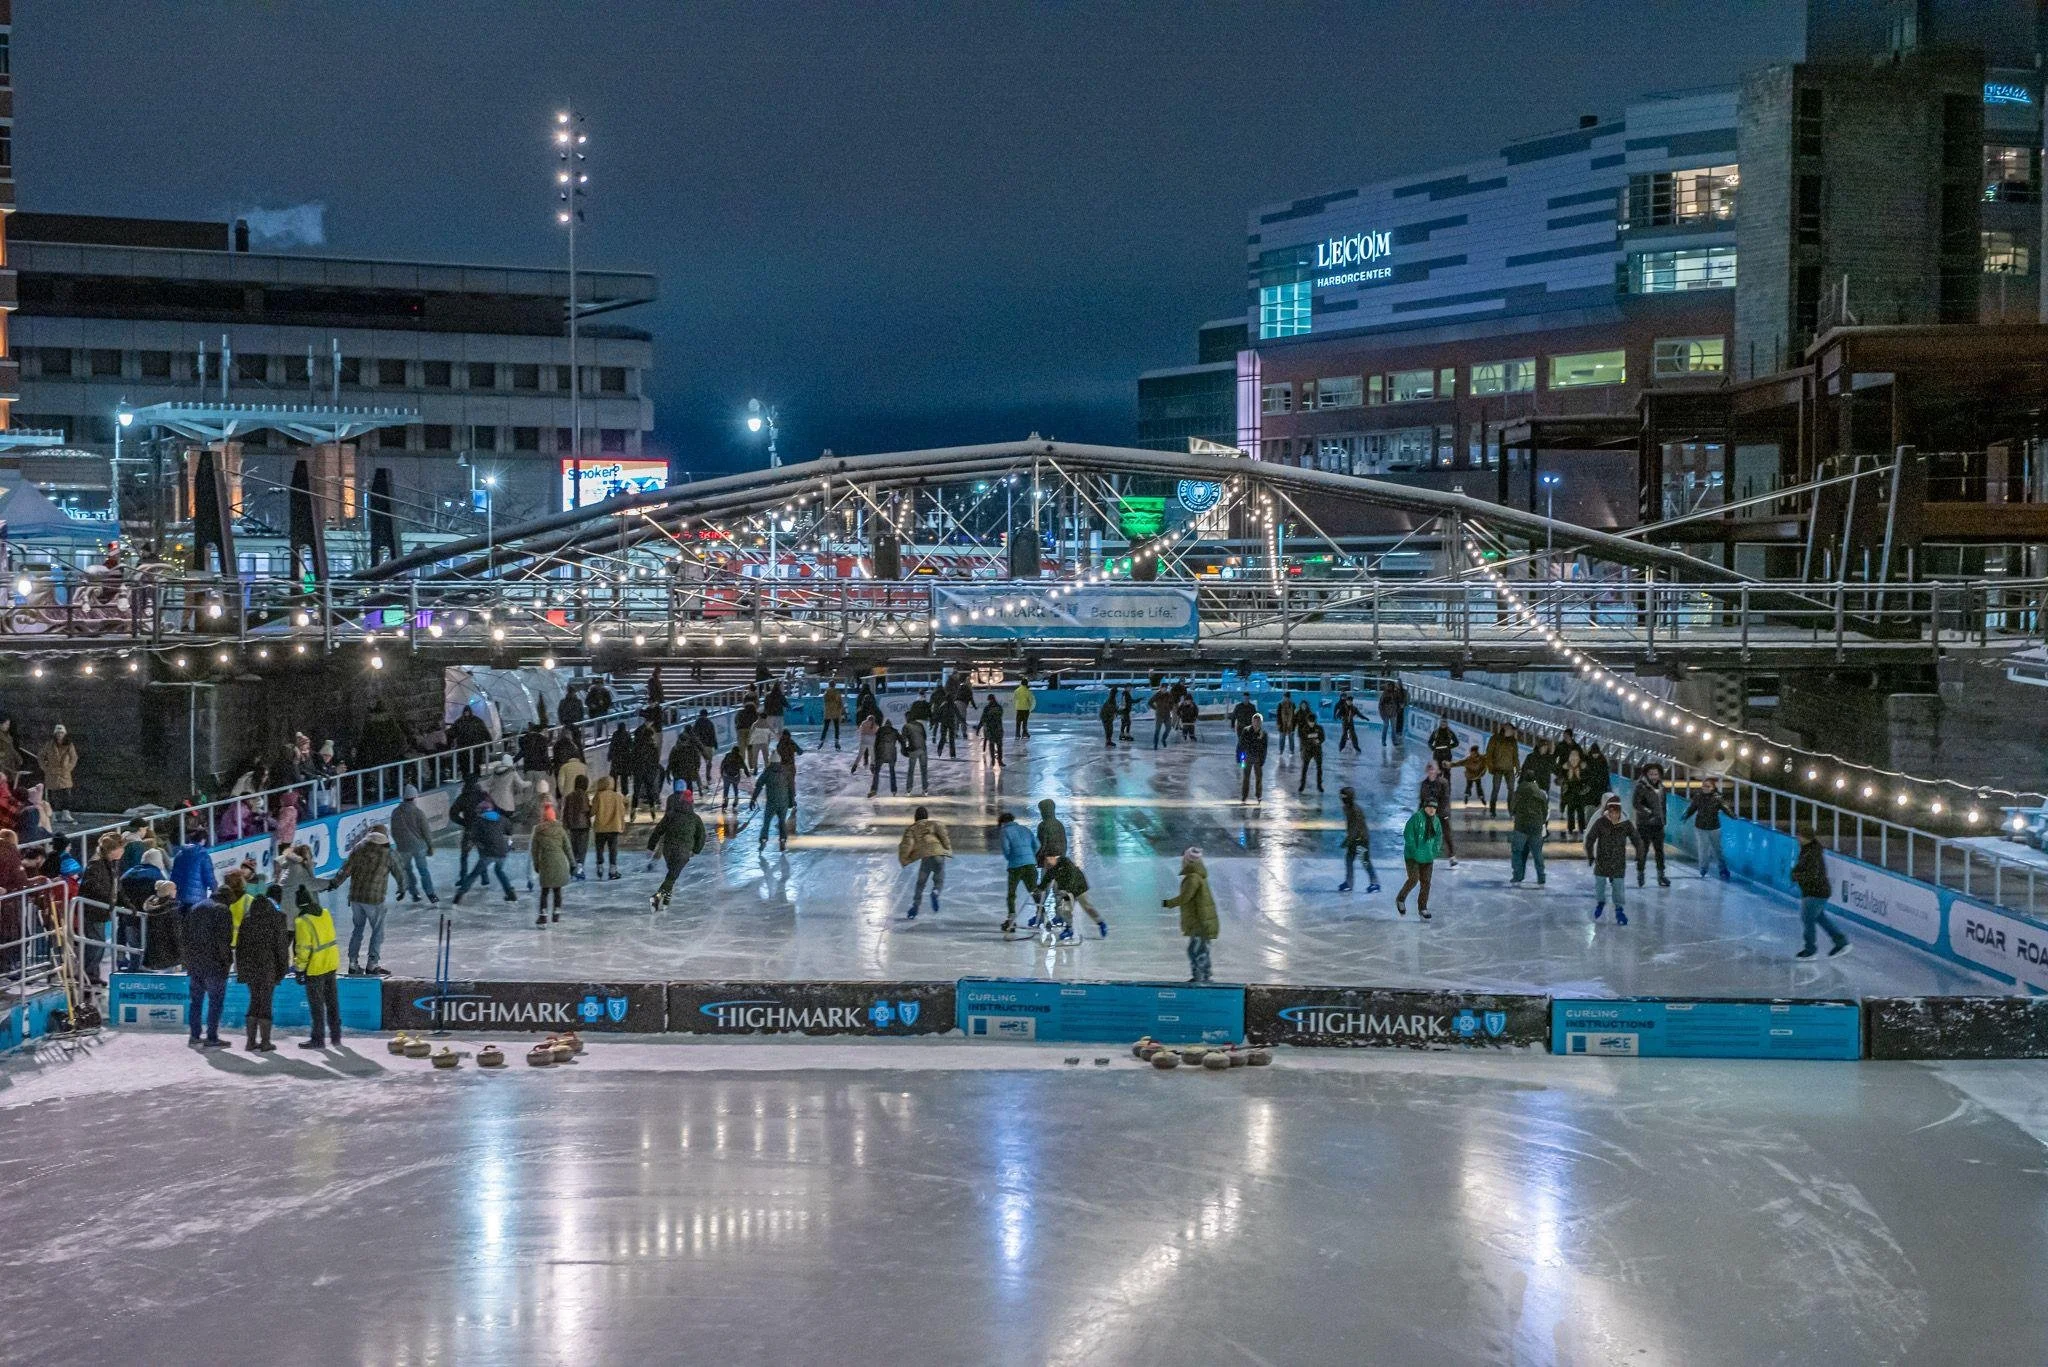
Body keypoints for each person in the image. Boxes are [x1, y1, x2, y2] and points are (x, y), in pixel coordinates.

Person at [328, 827, 396, 977]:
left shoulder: (358, 848)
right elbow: (399, 870)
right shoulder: (387, 852)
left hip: (356, 898)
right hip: (374, 899)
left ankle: (353, 964)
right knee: (377, 930)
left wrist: (335, 883)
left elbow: (346, 869)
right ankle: (372, 964)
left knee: (357, 929)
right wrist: (403, 888)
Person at [235, 890, 292, 1053]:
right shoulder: (278, 919)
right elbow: (281, 948)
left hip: (250, 968)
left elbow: (240, 948)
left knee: (254, 1000)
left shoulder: (247, 921)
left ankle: (250, 1042)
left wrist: (241, 971)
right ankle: (265, 1042)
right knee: (266, 1002)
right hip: (269, 968)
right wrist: (282, 970)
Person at [182, 890, 235, 1048]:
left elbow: (185, 937)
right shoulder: (222, 910)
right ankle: (212, 1037)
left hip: (195, 964)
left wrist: (188, 961)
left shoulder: (195, 908)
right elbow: (223, 941)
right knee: (215, 1002)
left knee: (196, 1002)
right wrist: (227, 962)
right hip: (215, 965)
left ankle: (194, 1035)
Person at [293, 886, 343, 1050]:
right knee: (332, 1002)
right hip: (331, 963)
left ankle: (318, 1039)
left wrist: (299, 970)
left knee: (317, 1006)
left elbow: (303, 948)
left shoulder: (302, 921)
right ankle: (336, 1036)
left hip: (315, 967)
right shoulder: (326, 913)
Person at [1161, 846, 1219, 984]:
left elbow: (1185, 897)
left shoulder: (1193, 878)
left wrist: (1167, 903)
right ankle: (1204, 975)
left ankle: (1201, 978)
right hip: (1201, 920)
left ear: (1187, 860)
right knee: (1199, 949)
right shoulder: (1197, 875)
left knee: (1196, 950)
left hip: (1200, 921)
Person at [1791, 827, 1851, 959]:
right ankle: (1841, 942)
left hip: (1816, 891)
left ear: (1804, 837)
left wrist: (1797, 876)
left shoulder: (1812, 853)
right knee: (1819, 917)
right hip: (1814, 890)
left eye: (1799, 836)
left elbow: (1812, 874)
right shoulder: (1808, 849)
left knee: (1807, 917)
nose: (1797, 838)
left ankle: (1810, 950)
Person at [646, 790, 706, 908]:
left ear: (680, 802)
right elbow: (702, 837)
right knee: (672, 875)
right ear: (691, 803)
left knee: (672, 874)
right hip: (684, 851)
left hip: (668, 849)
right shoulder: (695, 819)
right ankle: (657, 897)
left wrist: (650, 847)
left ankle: (667, 899)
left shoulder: (671, 815)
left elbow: (658, 831)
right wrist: (696, 850)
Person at [450, 800, 517, 903]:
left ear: (481, 811)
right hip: (502, 851)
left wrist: (479, 844)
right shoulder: (501, 818)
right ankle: (510, 893)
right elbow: (510, 830)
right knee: (499, 871)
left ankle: (460, 894)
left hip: (488, 852)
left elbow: (474, 836)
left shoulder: (479, 821)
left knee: (474, 874)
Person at [1583, 793, 1635, 924]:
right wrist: (1589, 853)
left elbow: (1630, 831)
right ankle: (1601, 902)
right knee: (1601, 882)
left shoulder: (1624, 817)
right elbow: (1589, 835)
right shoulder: (1598, 818)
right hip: (1602, 856)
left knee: (1617, 883)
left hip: (1617, 857)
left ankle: (1618, 908)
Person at [78, 832, 121, 987]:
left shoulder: (110, 864)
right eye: (120, 848)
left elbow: (116, 887)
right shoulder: (96, 864)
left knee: (99, 943)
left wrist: (125, 902)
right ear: (112, 850)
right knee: (95, 943)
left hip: (101, 910)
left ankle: (92, 974)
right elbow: (91, 886)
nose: (122, 852)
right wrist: (109, 899)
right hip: (93, 910)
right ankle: (88, 975)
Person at [896, 805, 952, 918]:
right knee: (939, 879)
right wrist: (947, 848)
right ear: (927, 816)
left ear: (915, 817)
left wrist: (904, 859)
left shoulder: (912, 829)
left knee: (920, 883)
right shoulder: (935, 824)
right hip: (939, 854)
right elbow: (943, 835)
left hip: (926, 856)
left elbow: (907, 845)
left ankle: (915, 906)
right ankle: (936, 892)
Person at [1036, 852, 1107, 940]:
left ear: (1053, 858)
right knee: (1065, 909)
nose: (1047, 864)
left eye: (1048, 861)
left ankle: (1101, 923)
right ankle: (1069, 929)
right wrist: (1037, 889)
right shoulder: (1051, 870)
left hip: (1079, 887)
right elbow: (1046, 881)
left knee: (1087, 906)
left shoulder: (1065, 861)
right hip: (1067, 891)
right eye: (1045, 863)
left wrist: (1066, 889)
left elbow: (1072, 875)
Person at [1396, 796, 1444, 920]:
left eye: (1434, 807)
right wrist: (1414, 850)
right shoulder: (1416, 818)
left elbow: (1438, 837)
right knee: (1413, 879)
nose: (1432, 809)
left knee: (1426, 883)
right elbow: (1408, 834)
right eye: (1429, 807)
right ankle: (1401, 899)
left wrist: (1434, 851)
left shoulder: (1436, 821)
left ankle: (1422, 907)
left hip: (1428, 857)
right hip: (1413, 857)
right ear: (1425, 807)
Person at [391, 785, 437, 905]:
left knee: (407, 871)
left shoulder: (395, 812)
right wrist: (430, 846)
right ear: (414, 798)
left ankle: (414, 893)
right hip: (419, 846)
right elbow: (426, 831)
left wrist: (399, 843)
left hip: (403, 848)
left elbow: (393, 831)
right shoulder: (418, 812)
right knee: (423, 870)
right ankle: (431, 893)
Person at [997, 809, 1039, 936]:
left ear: (1003, 823)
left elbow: (1006, 848)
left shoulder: (1004, 831)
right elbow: (1037, 844)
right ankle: (1043, 915)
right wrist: (1030, 857)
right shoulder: (1025, 829)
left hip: (1015, 866)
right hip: (1030, 864)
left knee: (1011, 894)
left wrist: (1012, 858)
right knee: (1034, 890)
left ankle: (1011, 920)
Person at [531, 804, 573, 925]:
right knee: (557, 890)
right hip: (559, 862)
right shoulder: (561, 830)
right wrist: (572, 863)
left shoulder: (538, 831)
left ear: (543, 817)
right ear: (554, 817)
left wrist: (536, 865)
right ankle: (556, 913)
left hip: (546, 863)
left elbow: (534, 851)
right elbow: (568, 848)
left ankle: (543, 916)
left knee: (544, 891)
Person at [1632, 763, 1671, 888]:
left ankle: (1661, 875)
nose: (1654, 776)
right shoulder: (1641, 787)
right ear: (1646, 774)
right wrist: (1649, 813)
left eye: (1656, 774)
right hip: (1645, 824)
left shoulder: (1662, 788)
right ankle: (1640, 873)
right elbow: (1636, 804)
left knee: (1659, 851)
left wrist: (1663, 819)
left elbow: (1663, 806)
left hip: (1658, 824)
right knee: (1643, 850)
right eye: (1651, 774)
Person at [1683, 776, 1730, 880]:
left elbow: (1725, 808)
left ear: (1713, 788)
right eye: (1703, 786)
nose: (1705, 788)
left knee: (1717, 849)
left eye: (1708, 786)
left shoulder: (1718, 798)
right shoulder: (1698, 797)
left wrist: (1732, 815)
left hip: (1714, 827)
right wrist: (1686, 816)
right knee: (1703, 849)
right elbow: (1692, 808)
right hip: (1700, 827)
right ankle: (1703, 868)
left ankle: (1723, 869)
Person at [1337, 786, 1379, 893]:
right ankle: (1349, 882)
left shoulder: (1355, 810)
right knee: (1349, 859)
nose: (1341, 798)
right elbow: (1351, 827)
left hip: (1361, 840)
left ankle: (1375, 883)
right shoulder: (1346, 808)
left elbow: (1356, 828)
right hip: (1353, 839)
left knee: (1365, 861)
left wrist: (1347, 841)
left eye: (1344, 796)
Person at [1509, 775, 1549, 886]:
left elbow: (1512, 808)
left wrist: (1515, 815)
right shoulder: (1541, 794)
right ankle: (1541, 877)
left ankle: (1517, 876)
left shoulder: (1518, 792)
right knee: (1537, 853)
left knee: (1517, 852)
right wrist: (1541, 822)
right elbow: (1545, 811)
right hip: (1535, 827)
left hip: (1521, 826)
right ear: (1535, 780)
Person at [751, 754, 795, 852]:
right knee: (782, 822)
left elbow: (759, 786)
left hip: (771, 803)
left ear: (771, 761)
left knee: (766, 822)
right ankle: (783, 840)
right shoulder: (786, 771)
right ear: (779, 761)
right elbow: (791, 787)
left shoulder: (767, 772)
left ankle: (763, 840)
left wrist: (753, 799)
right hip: (783, 802)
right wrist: (792, 801)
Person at [1418, 762, 1457, 866]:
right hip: (1429, 813)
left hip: (1441, 813)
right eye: (1429, 769)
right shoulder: (1424, 784)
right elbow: (1422, 800)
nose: (1431, 772)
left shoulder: (1443, 782)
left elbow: (1445, 799)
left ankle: (1452, 856)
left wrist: (1442, 812)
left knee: (1447, 835)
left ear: (1436, 771)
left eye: (1433, 769)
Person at [38, 723, 78, 822]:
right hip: (51, 773)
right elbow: (41, 756)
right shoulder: (49, 744)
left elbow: (74, 758)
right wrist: (45, 768)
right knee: (52, 795)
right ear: (55, 734)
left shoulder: (69, 745)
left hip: (65, 773)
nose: (59, 734)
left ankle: (66, 813)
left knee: (66, 794)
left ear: (64, 734)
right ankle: (52, 814)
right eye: (58, 733)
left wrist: (68, 768)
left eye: (61, 733)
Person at [591, 776, 627, 878]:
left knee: (599, 848)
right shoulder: (617, 796)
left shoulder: (598, 796)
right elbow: (622, 812)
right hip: (614, 827)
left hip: (600, 828)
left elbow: (593, 811)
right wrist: (622, 825)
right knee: (613, 849)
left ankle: (600, 866)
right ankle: (613, 870)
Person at [171, 834, 216, 913]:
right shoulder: (203, 856)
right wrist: (215, 889)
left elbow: (174, 876)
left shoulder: (179, 854)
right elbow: (209, 877)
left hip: (180, 896)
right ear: (203, 840)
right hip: (198, 898)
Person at [1483, 725, 1519, 817]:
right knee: (1496, 789)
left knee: (1511, 789)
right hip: (1497, 768)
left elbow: (1515, 756)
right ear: (1507, 729)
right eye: (1512, 730)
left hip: (1509, 769)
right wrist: (1491, 768)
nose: (1513, 732)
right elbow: (1489, 754)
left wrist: (1517, 768)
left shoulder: (1513, 741)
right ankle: (1492, 810)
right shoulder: (1495, 739)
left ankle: (1511, 810)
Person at [562, 774, 593, 880]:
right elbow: (585, 809)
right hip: (583, 825)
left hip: (572, 826)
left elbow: (566, 812)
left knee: (573, 848)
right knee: (582, 849)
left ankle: (572, 868)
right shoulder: (584, 795)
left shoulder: (569, 796)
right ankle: (579, 869)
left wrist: (565, 824)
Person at [447, 705, 492, 775]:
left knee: (473, 763)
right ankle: (471, 776)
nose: (466, 713)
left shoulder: (460, 721)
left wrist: (490, 744)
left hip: (470, 747)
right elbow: (485, 733)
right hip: (470, 746)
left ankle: (473, 776)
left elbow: (485, 732)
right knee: (469, 763)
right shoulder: (476, 721)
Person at [1237, 713, 1269, 803]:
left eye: (1258, 721)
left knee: (1259, 777)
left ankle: (1259, 795)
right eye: (1255, 721)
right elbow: (1241, 745)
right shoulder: (1246, 730)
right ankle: (1244, 795)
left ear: (1261, 722)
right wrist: (1241, 759)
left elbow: (1264, 748)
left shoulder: (1264, 734)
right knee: (1246, 777)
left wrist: (1263, 759)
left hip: (1258, 758)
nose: (1256, 723)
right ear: (1252, 721)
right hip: (1246, 757)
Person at [1559, 751, 1591, 838]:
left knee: (1581, 812)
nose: (1574, 759)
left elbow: (1587, 780)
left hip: (1580, 793)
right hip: (1570, 793)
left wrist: (1580, 777)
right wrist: (1567, 779)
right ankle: (1570, 828)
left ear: (1579, 758)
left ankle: (1581, 828)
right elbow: (1560, 781)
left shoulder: (1583, 767)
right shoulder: (1565, 768)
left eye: (1576, 757)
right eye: (1572, 757)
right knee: (1570, 812)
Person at [869, 716, 901, 796]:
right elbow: (902, 741)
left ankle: (874, 789)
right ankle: (894, 790)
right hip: (891, 755)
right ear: (891, 725)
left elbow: (875, 744)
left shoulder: (880, 730)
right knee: (892, 772)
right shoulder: (895, 731)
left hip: (881, 754)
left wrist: (875, 757)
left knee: (876, 772)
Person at [668, 727, 702, 799]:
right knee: (687, 792)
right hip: (684, 774)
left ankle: (683, 805)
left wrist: (668, 772)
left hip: (680, 774)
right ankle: (687, 805)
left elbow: (670, 762)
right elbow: (697, 760)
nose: (683, 743)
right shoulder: (691, 748)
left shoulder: (676, 749)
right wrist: (696, 769)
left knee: (680, 792)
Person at [1296, 713, 1326, 794]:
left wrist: (1319, 741)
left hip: (1317, 751)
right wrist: (1310, 742)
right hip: (1308, 751)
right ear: (1307, 721)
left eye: (1313, 722)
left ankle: (1319, 785)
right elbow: (1302, 741)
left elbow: (1323, 737)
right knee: (1304, 768)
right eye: (1310, 722)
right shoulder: (1304, 729)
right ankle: (1302, 785)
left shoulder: (1319, 728)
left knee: (1319, 768)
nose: (1312, 723)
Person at [901, 714, 930, 794]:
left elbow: (903, 740)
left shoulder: (906, 726)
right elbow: (924, 737)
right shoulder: (920, 725)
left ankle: (909, 789)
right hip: (923, 749)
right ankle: (925, 789)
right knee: (924, 770)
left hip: (913, 749)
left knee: (911, 770)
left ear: (907, 718)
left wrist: (904, 750)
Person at [718, 744, 746, 813]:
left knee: (726, 789)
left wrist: (721, 773)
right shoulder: (739, 757)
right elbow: (744, 766)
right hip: (735, 776)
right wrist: (747, 774)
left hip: (726, 776)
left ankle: (725, 802)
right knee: (735, 787)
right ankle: (736, 800)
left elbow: (722, 764)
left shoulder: (728, 755)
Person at [979, 697, 1005, 765]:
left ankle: (993, 760)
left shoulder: (987, 708)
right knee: (999, 745)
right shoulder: (999, 707)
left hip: (990, 728)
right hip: (998, 728)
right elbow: (1000, 716)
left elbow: (983, 718)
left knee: (992, 744)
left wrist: (979, 727)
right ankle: (1000, 761)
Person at [820, 681, 846, 748]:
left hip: (828, 713)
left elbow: (825, 701)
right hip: (836, 713)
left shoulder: (826, 693)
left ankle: (821, 741)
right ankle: (836, 742)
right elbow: (840, 703)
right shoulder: (837, 692)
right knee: (836, 728)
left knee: (825, 727)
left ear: (829, 685)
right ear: (835, 685)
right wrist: (843, 712)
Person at [853, 711, 879, 775]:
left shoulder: (863, 723)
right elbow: (877, 733)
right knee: (872, 755)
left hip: (863, 741)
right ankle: (872, 766)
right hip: (871, 742)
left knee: (860, 755)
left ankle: (854, 766)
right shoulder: (875, 725)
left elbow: (860, 730)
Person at [1150, 685, 1175, 749]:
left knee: (1168, 728)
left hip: (1167, 714)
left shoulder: (1169, 695)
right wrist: (1156, 708)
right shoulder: (1157, 695)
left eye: (1165, 688)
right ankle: (1155, 744)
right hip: (1159, 714)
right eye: (1163, 688)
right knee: (1157, 730)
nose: (1164, 689)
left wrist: (1170, 708)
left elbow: (1172, 702)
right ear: (1160, 688)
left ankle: (1163, 739)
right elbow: (1150, 702)